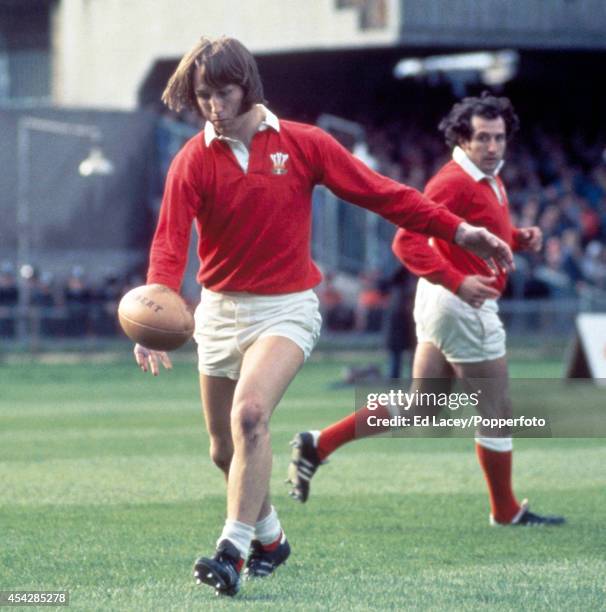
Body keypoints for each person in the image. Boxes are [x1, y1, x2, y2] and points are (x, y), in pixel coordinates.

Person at [133, 39, 514, 598]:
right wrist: (158, 305)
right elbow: (168, 244)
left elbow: (383, 194)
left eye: (224, 92)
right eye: (204, 95)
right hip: (218, 311)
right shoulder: (192, 159)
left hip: (287, 307)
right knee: (223, 449)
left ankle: (230, 550)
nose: (214, 105)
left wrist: (459, 230)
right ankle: (270, 536)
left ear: (249, 86)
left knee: (251, 415)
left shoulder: (304, 143)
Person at [288, 92, 565, 528]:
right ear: (462, 138)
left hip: (440, 303)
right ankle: (506, 511)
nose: (493, 147)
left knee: (424, 407)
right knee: (497, 410)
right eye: (483, 138)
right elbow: (407, 240)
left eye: (499, 137)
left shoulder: (488, 176)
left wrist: (515, 237)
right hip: (461, 305)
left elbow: (478, 231)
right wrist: (457, 280)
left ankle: (319, 444)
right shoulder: (453, 181)